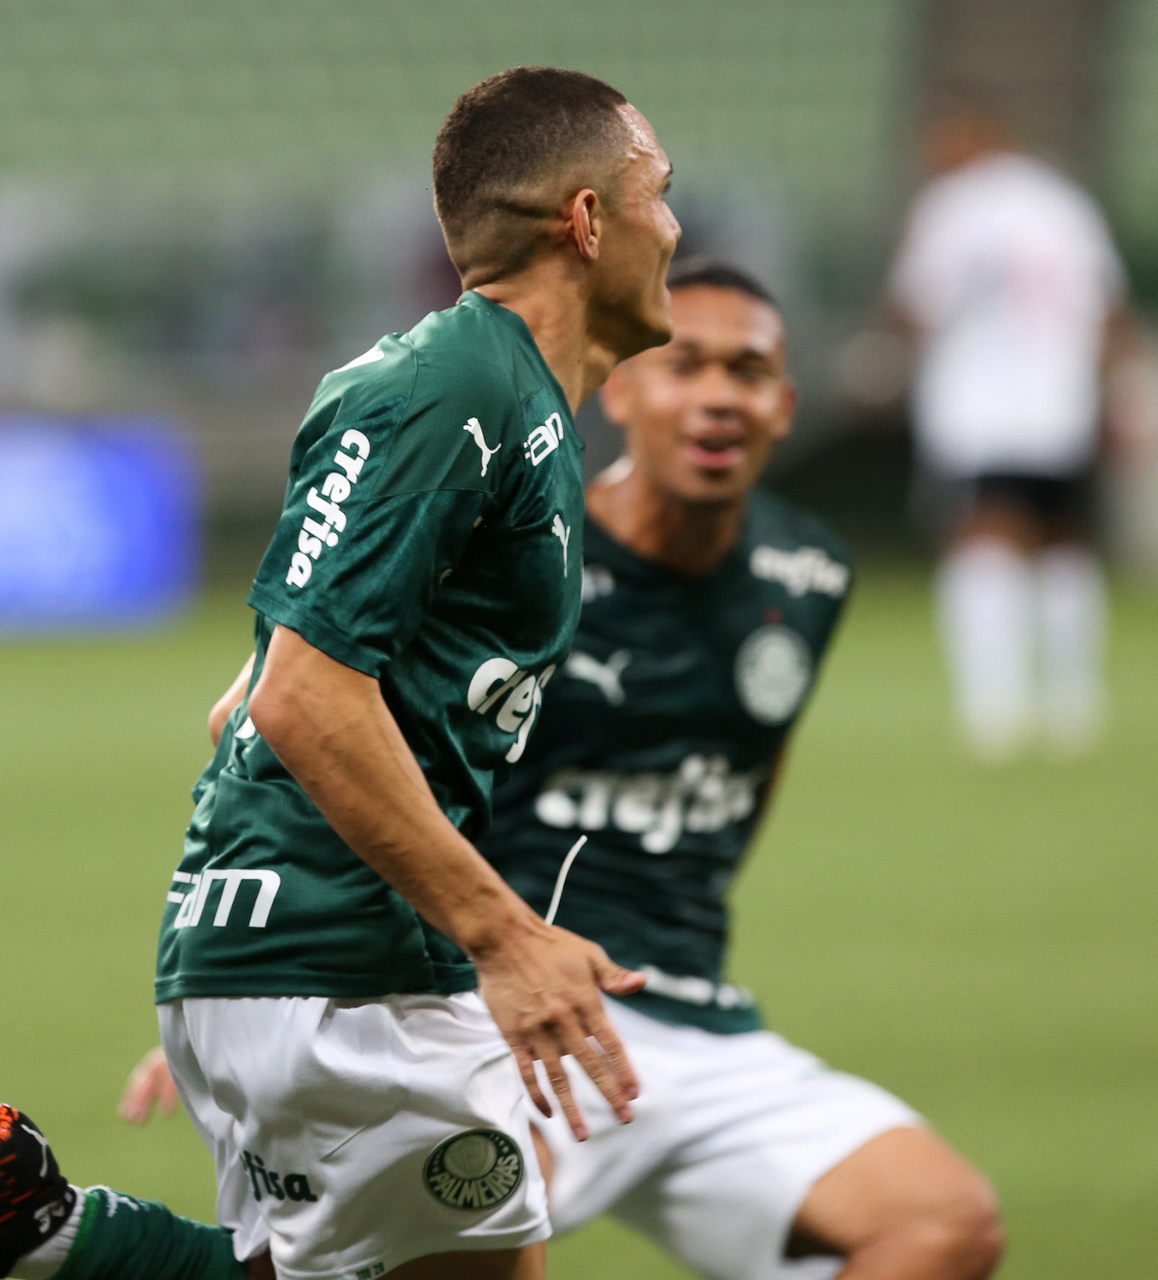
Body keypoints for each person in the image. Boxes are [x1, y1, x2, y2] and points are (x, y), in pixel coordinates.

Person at [105, 260, 1006, 1280]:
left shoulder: (810, 571)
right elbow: (274, 710)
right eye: (688, 366)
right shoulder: (523, 547)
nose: (718, 395)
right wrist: (283, 975)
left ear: (784, 406)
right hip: (509, 1001)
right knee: (360, 1261)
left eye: (748, 371)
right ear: (624, 391)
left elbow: (746, 784)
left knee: (945, 1223)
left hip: (695, 1015)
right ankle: (77, 1238)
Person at [1, 66, 680, 1280]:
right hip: (348, 970)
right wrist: (503, 935)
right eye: (658, 193)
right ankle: (45, 1236)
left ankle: (44, 1233)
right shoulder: (456, 386)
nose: (673, 227)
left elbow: (252, 691)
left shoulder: (507, 398)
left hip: (309, 959)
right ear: (587, 220)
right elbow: (298, 695)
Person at [883, 89, 1133, 760]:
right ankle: (1073, 700)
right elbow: (1108, 306)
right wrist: (1120, 392)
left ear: (972, 132)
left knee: (982, 540)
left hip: (978, 406)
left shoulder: (950, 206)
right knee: (1063, 546)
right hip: (1062, 402)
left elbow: (915, 305)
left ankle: (994, 705)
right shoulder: (1062, 202)